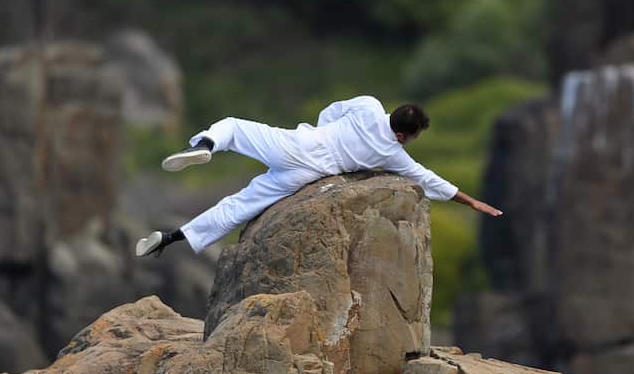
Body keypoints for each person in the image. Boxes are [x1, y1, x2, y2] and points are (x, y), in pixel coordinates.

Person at [135, 96, 503, 257]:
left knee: (232, 127)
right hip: (309, 174)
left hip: (298, 144)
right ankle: (171, 238)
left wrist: (321, 129)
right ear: (406, 135)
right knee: (240, 206)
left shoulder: (368, 106)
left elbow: (332, 110)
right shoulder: (394, 154)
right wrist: (472, 202)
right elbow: (431, 181)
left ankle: (207, 144)